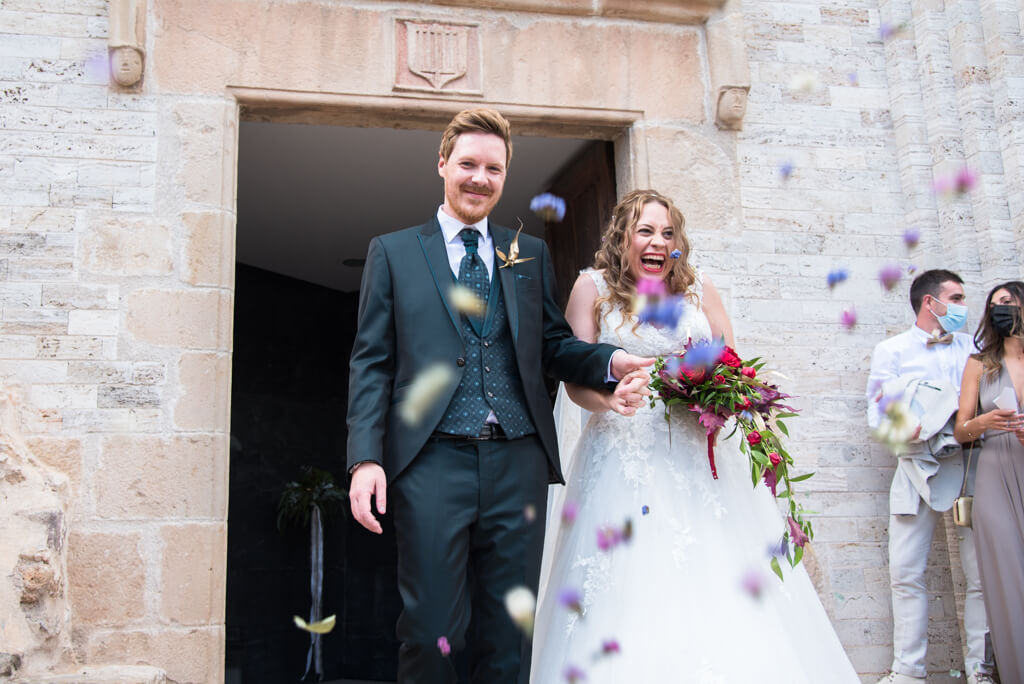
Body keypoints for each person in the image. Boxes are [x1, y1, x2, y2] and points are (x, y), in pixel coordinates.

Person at [345, 107, 653, 684]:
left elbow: (555, 347)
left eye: (493, 168)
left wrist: (608, 360)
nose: (479, 178)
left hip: (518, 460)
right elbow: (371, 362)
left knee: (510, 634)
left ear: (505, 175)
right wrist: (365, 458)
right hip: (431, 460)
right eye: (467, 164)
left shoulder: (529, 253)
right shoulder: (394, 252)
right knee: (431, 628)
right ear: (443, 164)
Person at [531, 190, 860, 683]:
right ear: (622, 236)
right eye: (645, 231)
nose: (657, 242)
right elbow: (574, 378)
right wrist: (610, 400)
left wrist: (719, 394)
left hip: (700, 454)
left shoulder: (699, 288)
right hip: (625, 454)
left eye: (667, 233)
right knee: (631, 580)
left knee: (722, 572)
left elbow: (731, 364)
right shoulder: (592, 287)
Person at [867, 269, 995, 684]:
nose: (962, 307)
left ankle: (981, 670)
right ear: (930, 302)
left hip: (971, 465)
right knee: (905, 572)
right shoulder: (891, 350)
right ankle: (908, 673)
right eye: (955, 298)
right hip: (915, 467)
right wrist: (902, 428)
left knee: (980, 574)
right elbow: (876, 411)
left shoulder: (975, 348)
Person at [954, 281, 1024, 683]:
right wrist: (983, 422)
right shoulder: (980, 364)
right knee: (1007, 579)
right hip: (996, 473)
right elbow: (961, 430)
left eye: (1011, 303)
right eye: (997, 304)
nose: (1004, 310)